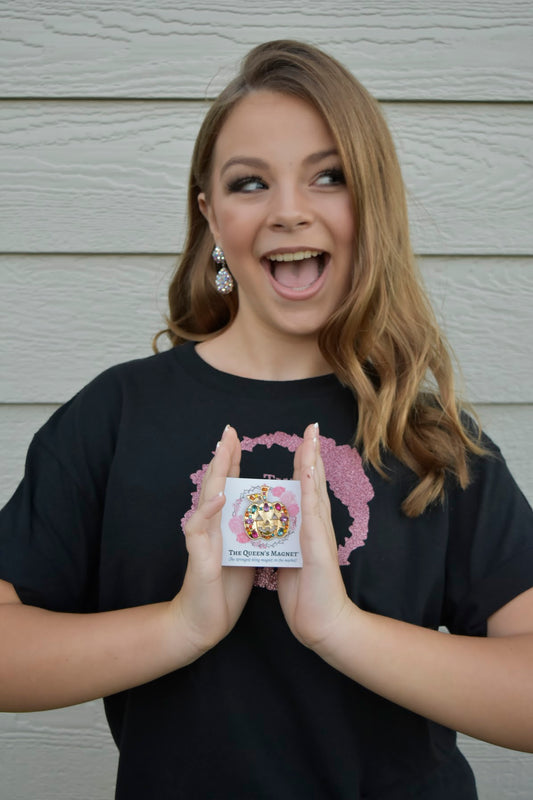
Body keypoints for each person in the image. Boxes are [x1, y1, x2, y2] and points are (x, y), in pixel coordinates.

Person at [1, 39, 532, 800]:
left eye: (329, 176)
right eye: (250, 183)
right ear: (210, 216)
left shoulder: (428, 436)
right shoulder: (115, 416)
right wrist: (182, 625)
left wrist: (338, 629)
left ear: (370, 204)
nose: (289, 210)